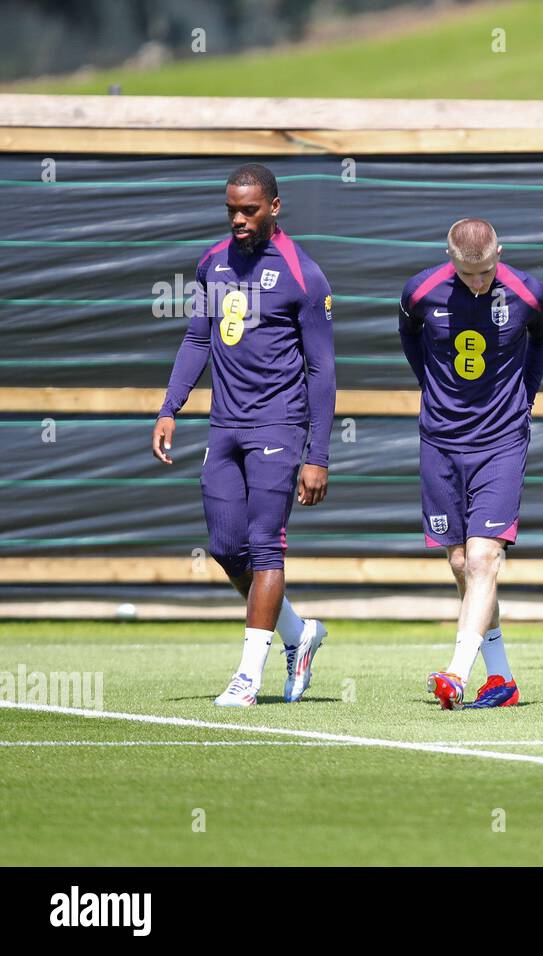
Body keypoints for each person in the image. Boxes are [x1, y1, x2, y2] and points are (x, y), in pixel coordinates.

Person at [152, 163, 335, 707]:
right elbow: (197, 338)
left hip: (279, 425)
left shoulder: (304, 274)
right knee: (226, 547)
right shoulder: (212, 262)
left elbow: (322, 370)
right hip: (224, 427)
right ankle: (300, 635)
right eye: (231, 208)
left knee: (265, 547)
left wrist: (317, 454)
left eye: (249, 209)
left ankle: (248, 677)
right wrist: (170, 408)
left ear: (274, 207)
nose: (238, 218)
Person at [398, 219, 543, 710]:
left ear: (498, 254)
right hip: (441, 440)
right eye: (468, 274)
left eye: (486, 271)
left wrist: (525, 397)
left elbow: (542, 339)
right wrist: (433, 390)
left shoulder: (528, 293)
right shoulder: (421, 291)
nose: (479, 282)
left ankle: (456, 674)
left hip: (502, 440)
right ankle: (501, 678)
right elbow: (409, 337)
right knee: (462, 562)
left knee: (486, 558)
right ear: (450, 258)